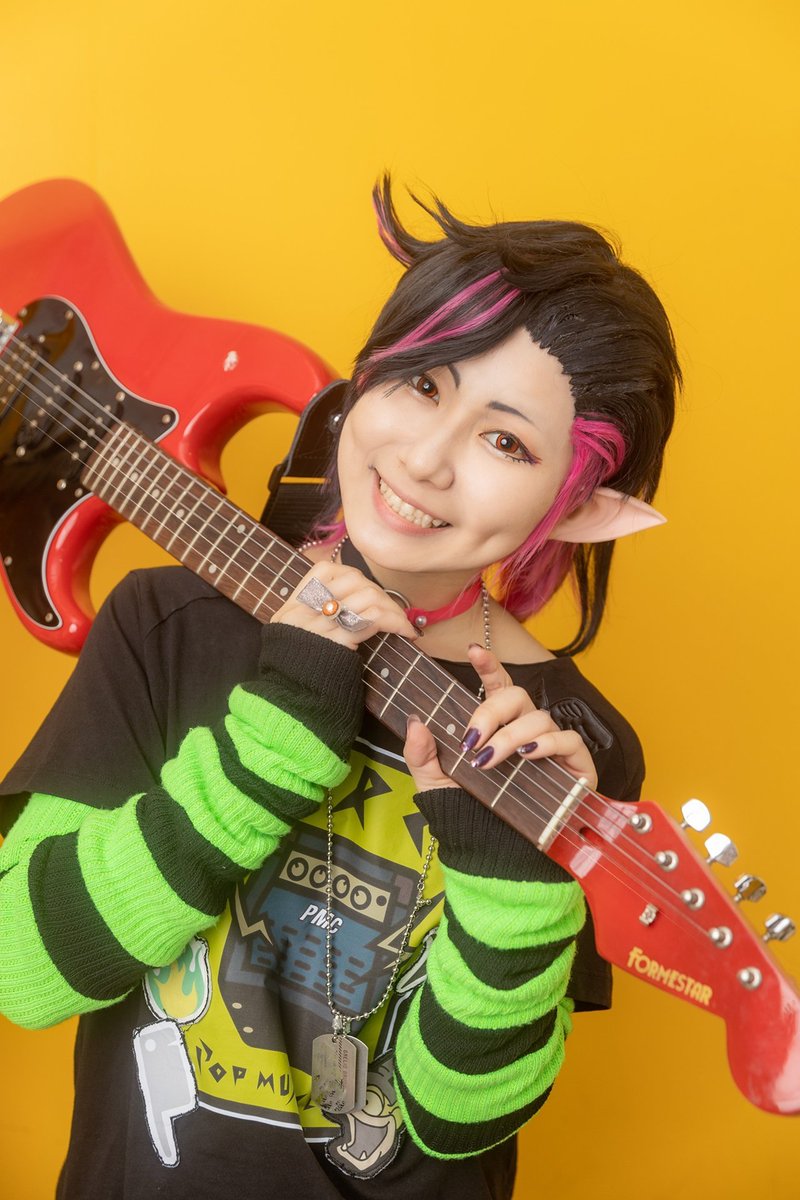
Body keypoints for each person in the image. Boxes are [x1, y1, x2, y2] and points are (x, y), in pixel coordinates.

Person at [0, 177, 679, 1199]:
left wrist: (513, 897)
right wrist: (267, 751)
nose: (425, 459)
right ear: (367, 372)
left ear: (583, 506)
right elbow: (23, 968)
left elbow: (454, 1124)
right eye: (422, 385)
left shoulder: (568, 744)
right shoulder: (169, 623)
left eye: (505, 441)